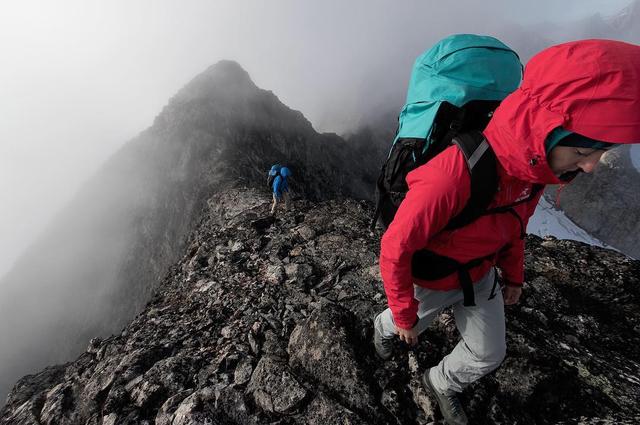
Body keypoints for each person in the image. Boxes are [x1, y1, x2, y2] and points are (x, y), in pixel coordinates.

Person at [374, 39, 640, 425]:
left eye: (598, 155)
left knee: (488, 353)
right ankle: (381, 329)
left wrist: (513, 277)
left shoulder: (533, 175)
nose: (590, 168)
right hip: (433, 278)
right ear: (546, 132)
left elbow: (514, 227)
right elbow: (396, 245)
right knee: (409, 324)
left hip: (481, 275)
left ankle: (441, 381)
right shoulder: (451, 176)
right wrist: (401, 315)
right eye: (583, 154)